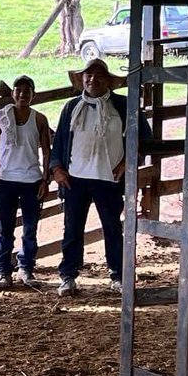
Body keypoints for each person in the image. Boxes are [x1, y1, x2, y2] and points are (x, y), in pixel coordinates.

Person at [50, 57, 148, 297]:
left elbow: (144, 137)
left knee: (113, 228)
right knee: (72, 229)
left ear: (108, 81)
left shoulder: (123, 106)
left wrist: (129, 162)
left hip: (109, 178)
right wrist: (56, 168)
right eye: (88, 75)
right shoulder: (72, 107)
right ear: (82, 79)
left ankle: (118, 275)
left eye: (99, 76)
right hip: (75, 178)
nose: (92, 79)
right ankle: (68, 276)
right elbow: (59, 140)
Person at [0, 75, 51, 290]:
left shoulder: (39, 119)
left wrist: (45, 178)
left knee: (30, 229)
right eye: (18, 90)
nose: (22, 94)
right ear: (13, 94)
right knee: (5, 229)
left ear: (33, 94)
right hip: (6, 179)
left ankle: (26, 268)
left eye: (27, 91)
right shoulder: (2, 117)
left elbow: (46, 149)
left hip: (32, 180)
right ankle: (4, 270)